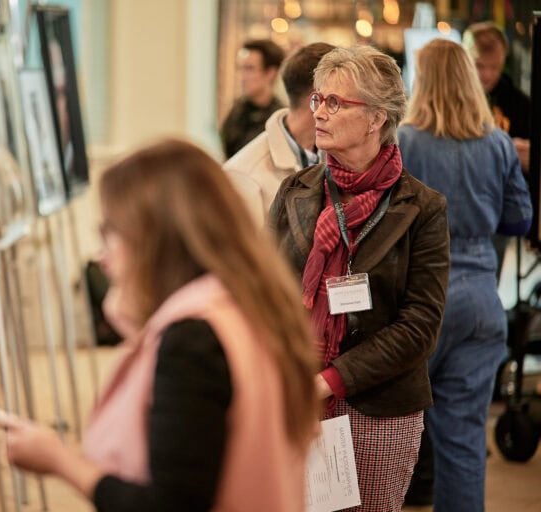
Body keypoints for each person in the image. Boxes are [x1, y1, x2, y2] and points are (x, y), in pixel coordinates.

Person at [6, 139, 319, 511]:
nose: (101, 254)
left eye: (111, 231)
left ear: (153, 239)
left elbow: (169, 503)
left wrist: (60, 461)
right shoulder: (245, 303)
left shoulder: (192, 339)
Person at [270, 45, 450, 511]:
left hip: (378, 409)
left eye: (336, 103)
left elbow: (419, 328)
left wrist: (331, 380)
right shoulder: (296, 190)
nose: (320, 113)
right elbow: (265, 294)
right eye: (318, 100)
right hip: (294, 397)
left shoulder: (423, 208)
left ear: (375, 118)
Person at [398, 39, 532, 512]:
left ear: (424, 79)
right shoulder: (496, 141)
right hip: (480, 300)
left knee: (391, 437)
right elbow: (519, 219)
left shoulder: (404, 140)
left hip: (419, 301)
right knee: (464, 446)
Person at [224, 42, 335, 227]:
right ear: (317, 100)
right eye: (339, 99)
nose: (243, 77)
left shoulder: (334, 154)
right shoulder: (242, 177)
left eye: (250, 69)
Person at [465, 21, 530, 171]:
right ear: (465, 61)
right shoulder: (448, 99)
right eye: (479, 65)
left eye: (494, 66)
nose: (487, 75)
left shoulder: (520, 104)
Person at [220, 39, 285, 158]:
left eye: (249, 69)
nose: (242, 76)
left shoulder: (280, 118)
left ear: (271, 73)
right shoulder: (237, 109)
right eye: (241, 68)